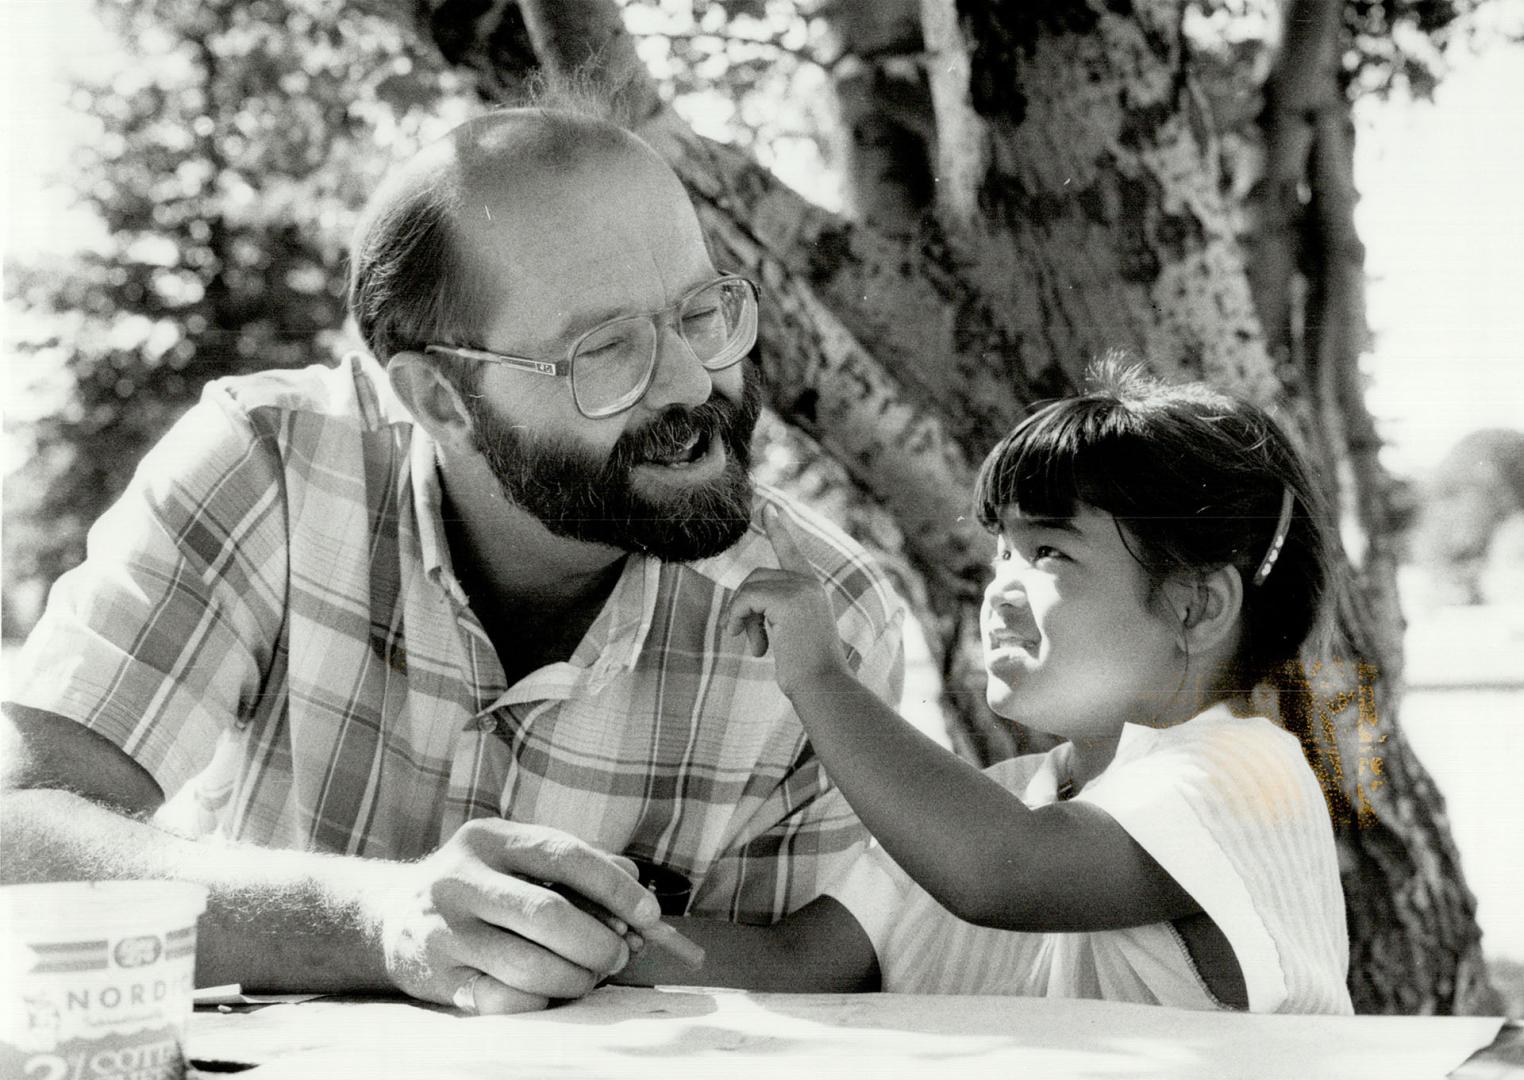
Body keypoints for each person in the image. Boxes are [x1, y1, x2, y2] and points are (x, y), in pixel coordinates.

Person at [0, 105, 904, 1015]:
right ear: (441, 399)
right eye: (607, 349)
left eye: (702, 311)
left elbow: (810, 978)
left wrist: (531, 939)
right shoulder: (268, 464)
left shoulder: (829, 619)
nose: (692, 382)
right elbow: (21, 837)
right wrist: (375, 919)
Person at [619, 359, 1354, 1015]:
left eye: (1049, 553)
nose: (1000, 588)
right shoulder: (999, 802)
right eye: (1001, 552)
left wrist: (818, 677)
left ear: (1195, 606)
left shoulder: (1252, 776)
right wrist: (594, 932)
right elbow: (795, 963)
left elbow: (1001, 872)